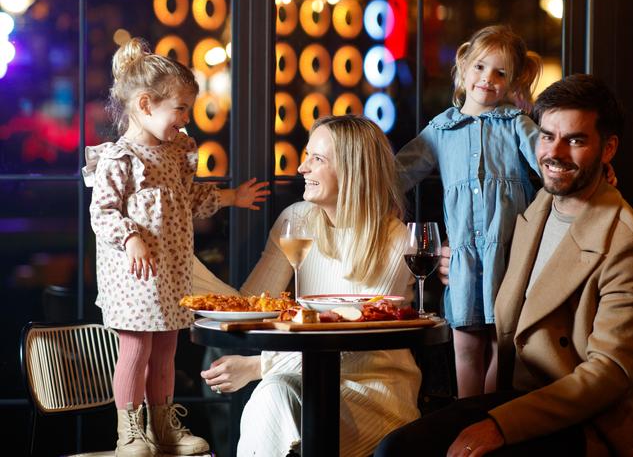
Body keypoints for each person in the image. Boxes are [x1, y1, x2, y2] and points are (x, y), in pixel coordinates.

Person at [375, 73, 633, 457]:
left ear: (608, 149)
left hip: (578, 422)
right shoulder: (538, 207)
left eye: (576, 140)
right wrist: (455, 260)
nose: (555, 152)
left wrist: (500, 426)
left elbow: (608, 375)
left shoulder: (626, 244)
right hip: (512, 396)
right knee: (396, 448)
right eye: (548, 135)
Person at [83, 37, 269, 457]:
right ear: (146, 105)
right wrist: (130, 237)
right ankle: (129, 432)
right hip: (135, 277)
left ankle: (163, 425)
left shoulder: (176, 152)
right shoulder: (120, 159)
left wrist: (230, 197)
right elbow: (103, 212)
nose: (186, 119)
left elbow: (190, 199)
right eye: (180, 108)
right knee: (136, 348)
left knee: (166, 348)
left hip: (170, 272)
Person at [196, 114, 421, 457]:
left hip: (374, 391)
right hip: (308, 384)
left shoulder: (395, 241)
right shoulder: (296, 219)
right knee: (272, 394)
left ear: (351, 169)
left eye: (317, 159)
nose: (302, 168)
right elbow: (249, 305)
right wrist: (184, 265)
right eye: (306, 157)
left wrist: (258, 367)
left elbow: (353, 342)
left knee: (270, 388)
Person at [395, 25, 543, 397]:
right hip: (462, 258)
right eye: (480, 67)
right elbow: (397, 175)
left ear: (514, 80)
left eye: (500, 73)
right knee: (464, 345)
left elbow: (551, 167)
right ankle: (464, 424)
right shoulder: (440, 131)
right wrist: (356, 174)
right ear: (463, 64)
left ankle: (488, 421)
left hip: (509, 256)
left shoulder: (517, 125)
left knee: (500, 343)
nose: (487, 79)